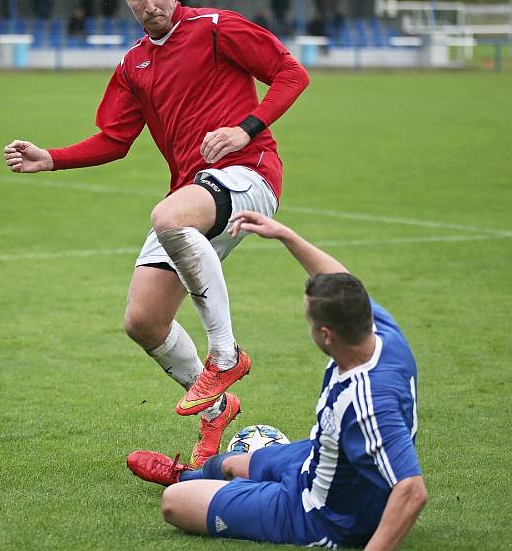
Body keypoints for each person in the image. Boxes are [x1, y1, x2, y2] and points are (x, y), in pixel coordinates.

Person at [2, 0, 309, 468]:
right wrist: (51, 158)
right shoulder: (133, 65)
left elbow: (290, 74)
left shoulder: (217, 28)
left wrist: (245, 128)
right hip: (195, 192)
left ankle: (227, 357)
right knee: (143, 321)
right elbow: (115, 139)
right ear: (127, 0)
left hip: (249, 172)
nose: (151, 5)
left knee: (168, 216)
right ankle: (215, 407)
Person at [127, 211, 427, 549]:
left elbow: (411, 491)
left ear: (326, 335)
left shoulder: (368, 402)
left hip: (319, 513)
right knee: (227, 464)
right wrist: (286, 235)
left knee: (175, 503)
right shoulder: (380, 334)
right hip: (319, 458)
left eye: (309, 321)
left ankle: (227, 492)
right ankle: (190, 475)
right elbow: (342, 281)